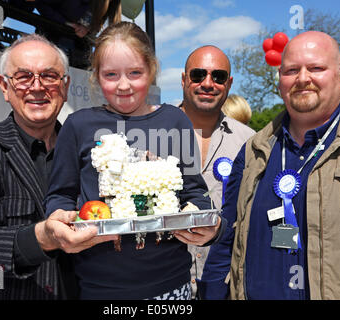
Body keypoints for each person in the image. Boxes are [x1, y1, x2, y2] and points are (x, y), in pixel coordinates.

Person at [44, 22, 223, 300]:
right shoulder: (78, 125)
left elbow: (195, 192)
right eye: (111, 74)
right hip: (100, 289)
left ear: (151, 70)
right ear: (96, 76)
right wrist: (57, 220)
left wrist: (209, 227)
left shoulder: (175, 121)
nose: (124, 85)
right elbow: (61, 196)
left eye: (135, 73)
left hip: (171, 286)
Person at [0, 33, 116, 300]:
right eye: (23, 77)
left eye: (49, 76)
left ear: (65, 85)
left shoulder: (92, 154)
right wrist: (43, 237)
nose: (37, 87)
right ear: (4, 86)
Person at [200, 31, 340, 300]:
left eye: (316, 68)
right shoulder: (254, 150)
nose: (303, 78)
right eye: (292, 70)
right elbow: (227, 240)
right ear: (280, 79)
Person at [179, 45, 255, 299]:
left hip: (225, 284)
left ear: (229, 83)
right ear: (183, 79)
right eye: (198, 75)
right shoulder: (151, 132)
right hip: (165, 283)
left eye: (218, 76)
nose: (208, 83)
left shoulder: (251, 142)